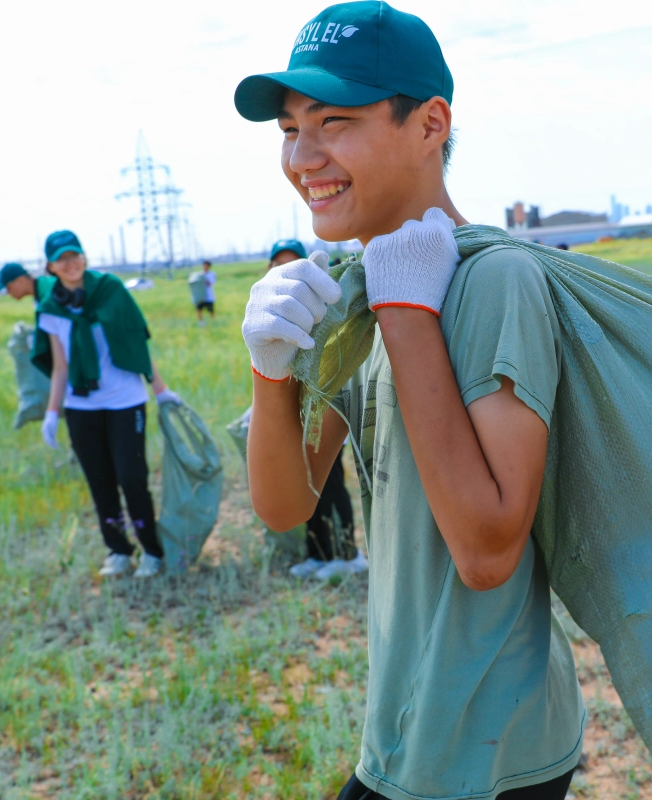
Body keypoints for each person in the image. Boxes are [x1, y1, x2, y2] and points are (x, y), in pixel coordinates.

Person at [236, 4, 584, 799]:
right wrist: (269, 370)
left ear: (430, 125)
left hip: (491, 748)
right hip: (403, 728)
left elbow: (488, 551)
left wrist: (407, 318)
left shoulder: (495, 282)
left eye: (336, 121)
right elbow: (287, 507)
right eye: (290, 129)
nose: (304, 156)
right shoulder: (355, 295)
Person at [30, 230, 182, 579]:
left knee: (132, 479)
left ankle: (151, 551)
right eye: (61, 259)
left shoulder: (110, 290)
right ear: (51, 266)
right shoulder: (51, 307)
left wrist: (161, 391)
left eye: (75, 256)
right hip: (81, 407)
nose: (70, 264)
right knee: (100, 482)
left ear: (83, 257)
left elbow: (136, 343)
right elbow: (60, 366)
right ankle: (118, 550)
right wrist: (52, 413)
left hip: (125, 403)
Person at [260, 238, 360, 580]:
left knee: (329, 486)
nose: (282, 270)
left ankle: (347, 554)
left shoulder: (321, 304)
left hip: (324, 413)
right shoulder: (272, 305)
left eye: (292, 262)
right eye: (278, 264)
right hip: (295, 418)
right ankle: (319, 555)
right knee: (303, 486)